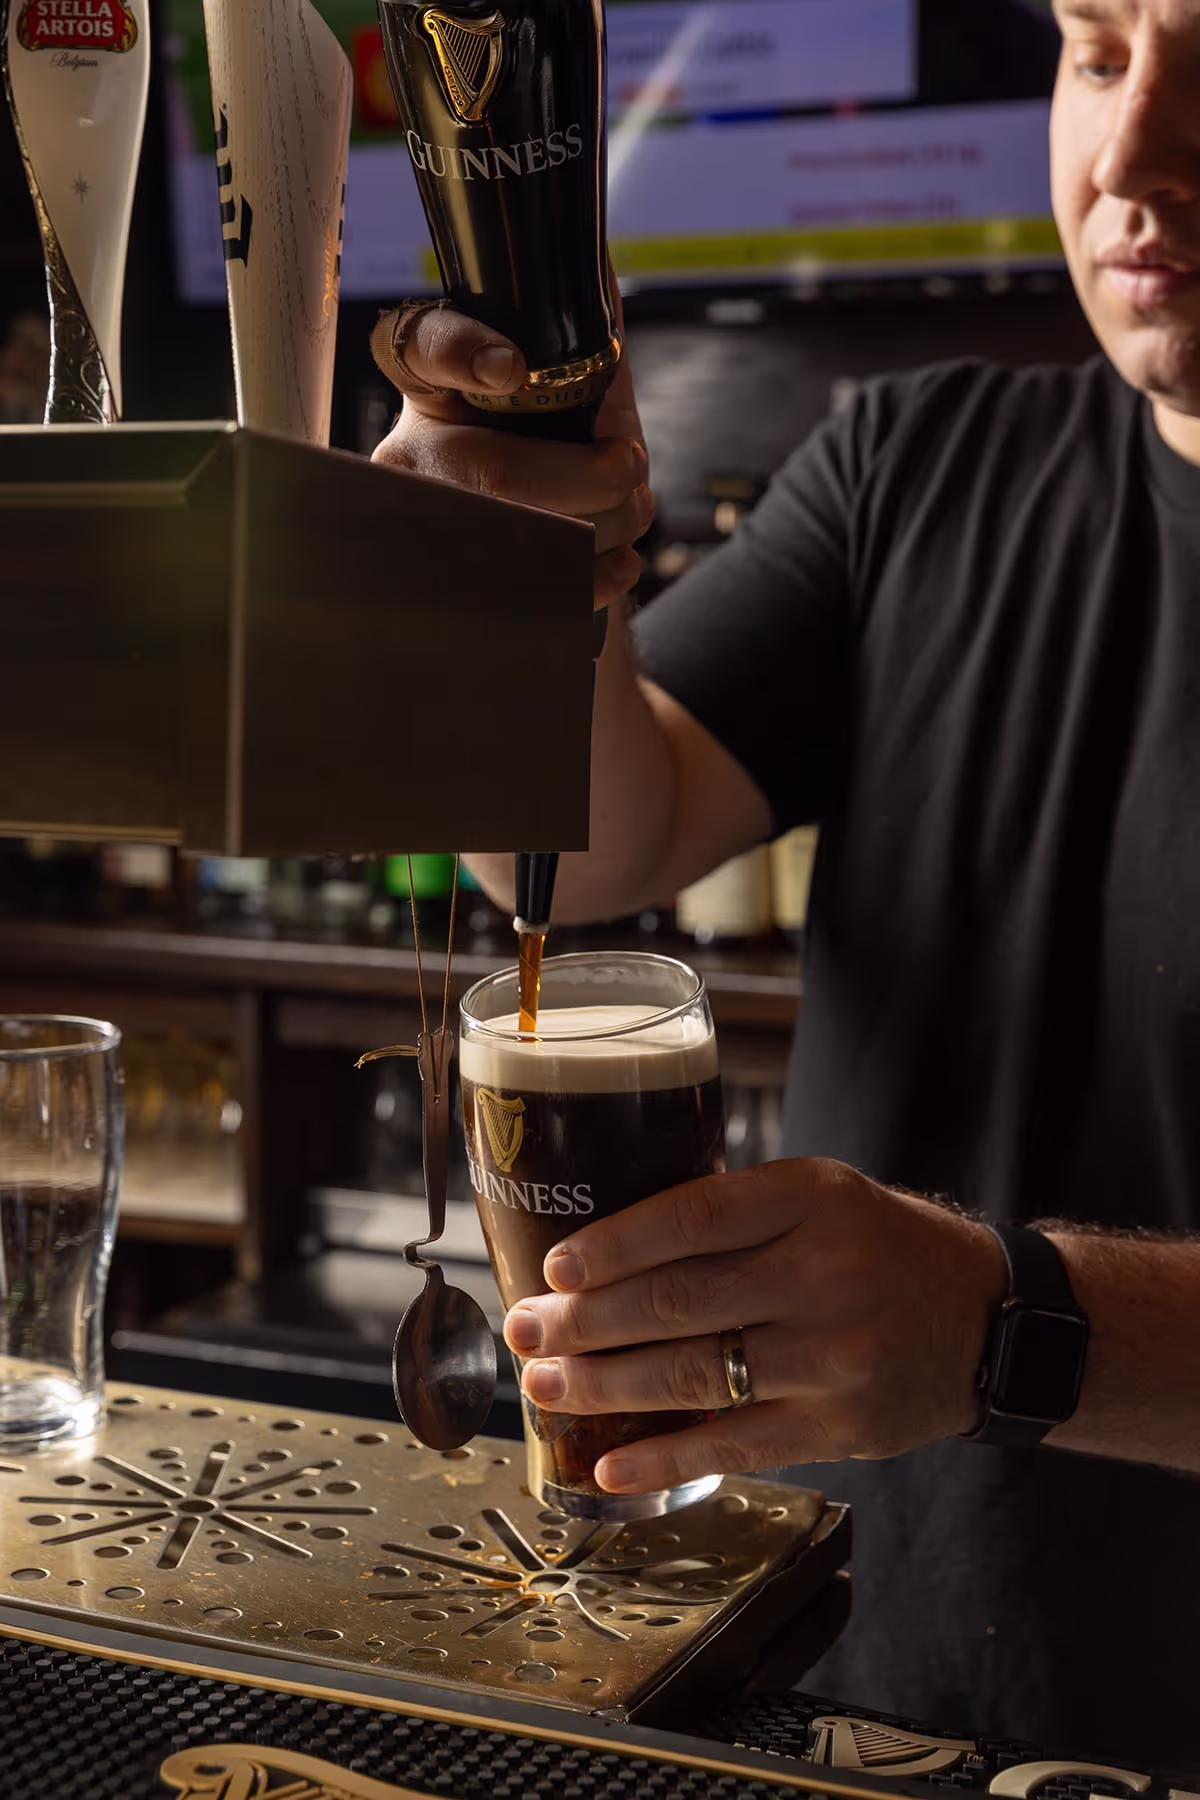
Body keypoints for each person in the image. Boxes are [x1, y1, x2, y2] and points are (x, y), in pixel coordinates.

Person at [371, 0, 1200, 1765]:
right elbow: (595, 846)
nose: (1131, 160)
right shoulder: (917, 467)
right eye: (1099, 50)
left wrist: (1009, 1323)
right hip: (842, 1692)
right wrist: (543, 569)